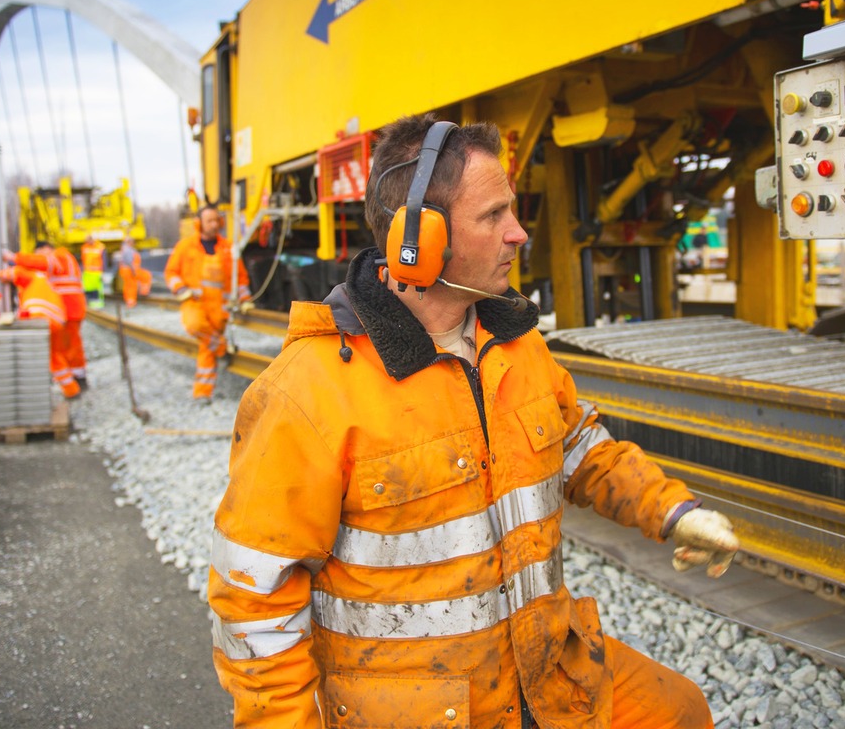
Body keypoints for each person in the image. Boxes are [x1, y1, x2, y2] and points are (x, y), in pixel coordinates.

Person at [208, 115, 739, 728]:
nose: (518, 234)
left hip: (544, 675)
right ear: (419, 241)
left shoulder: (513, 344)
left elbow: (581, 447)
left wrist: (675, 512)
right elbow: (253, 601)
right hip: (420, 712)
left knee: (678, 712)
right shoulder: (308, 393)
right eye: (493, 217)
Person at [164, 205, 251, 400]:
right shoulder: (186, 247)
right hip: (194, 303)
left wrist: (245, 299)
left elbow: (240, 277)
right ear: (199, 224)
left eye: (216, 221)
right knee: (195, 326)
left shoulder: (228, 248)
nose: (214, 225)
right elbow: (171, 272)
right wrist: (180, 289)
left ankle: (202, 392)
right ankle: (222, 349)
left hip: (219, 308)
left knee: (206, 347)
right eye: (209, 221)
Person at [4, 241, 88, 387]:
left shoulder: (60, 256)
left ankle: (77, 379)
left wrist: (14, 257)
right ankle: (74, 377)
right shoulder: (62, 259)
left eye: (39, 253)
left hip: (69, 309)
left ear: (45, 249)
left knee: (70, 345)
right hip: (69, 309)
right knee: (67, 346)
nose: (39, 257)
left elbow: (42, 263)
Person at [0, 264, 79, 398]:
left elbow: (14, 273)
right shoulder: (44, 281)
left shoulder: (32, 276)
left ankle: (39, 390)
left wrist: (1, 273)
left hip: (40, 320)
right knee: (54, 356)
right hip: (56, 322)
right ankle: (71, 389)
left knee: (37, 355)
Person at [115, 236, 152, 308]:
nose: (134, 243)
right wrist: (133, 271)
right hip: (129, 271)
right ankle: (131, 301)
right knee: (131, 285)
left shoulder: (126, 249)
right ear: (129, 242)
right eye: (132, 241)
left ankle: (138, 295)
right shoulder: (127, 250)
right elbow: (129, 261)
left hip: (128, 270)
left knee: (143, 277)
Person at [80, 234, 106, 307]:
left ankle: (97, 304)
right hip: (87, 271)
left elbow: (104, 259)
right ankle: (91, 303)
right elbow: (83, 259)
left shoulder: (100, 247)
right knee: (88, 288)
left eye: (88, 240)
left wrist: (103, 271)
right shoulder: (84, 247)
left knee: (97, 288)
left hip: (97, 272)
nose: (87, 242)